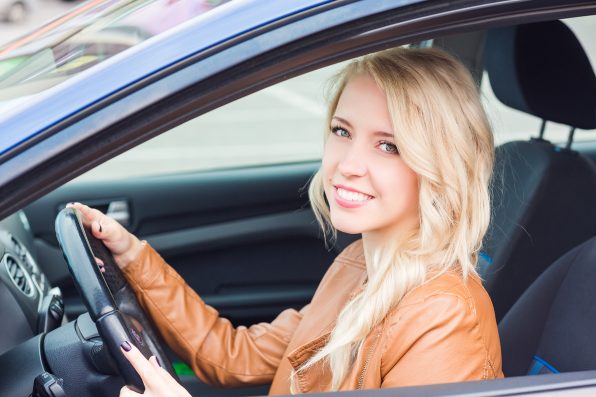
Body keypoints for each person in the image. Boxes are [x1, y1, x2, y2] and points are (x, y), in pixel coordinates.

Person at [70, 46, 503, 396]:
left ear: (442, 166)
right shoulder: (359, 266)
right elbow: (233, 356)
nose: (348, 164)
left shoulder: (444, 316)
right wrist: (135, 261)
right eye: (342, 131)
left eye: (388, 146)